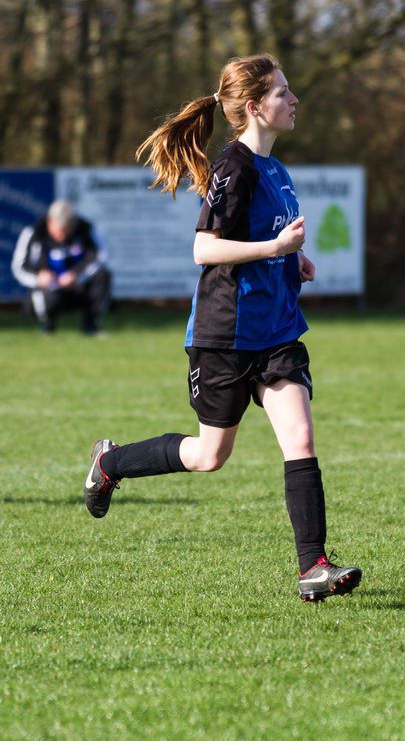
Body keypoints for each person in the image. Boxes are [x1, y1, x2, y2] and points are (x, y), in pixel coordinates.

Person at [83, 53, 362, 602]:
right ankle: (109, 463)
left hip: (277, 333)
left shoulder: (277, 171)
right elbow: (204, 249)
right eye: (284, 92)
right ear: (256, 107)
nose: (294, 98)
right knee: (211, 456)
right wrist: (276, 248)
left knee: (300, 439)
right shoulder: (233, 167)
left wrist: (291, 263)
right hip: (225, 335)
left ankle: (313, 568)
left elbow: (266, 243)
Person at [11, 199, 111, 334]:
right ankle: (47, 324)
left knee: (103, 275)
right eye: (59, 231)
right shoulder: (33, 233)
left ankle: (91, 324)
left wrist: (76, 275)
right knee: (44, 298)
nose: (62, 236)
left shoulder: (85, 229)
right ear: (50, 222)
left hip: (76, 286)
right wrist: (38, 278)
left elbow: (100, 255)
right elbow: (18, 268)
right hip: (49, 289)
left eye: (66, 231)